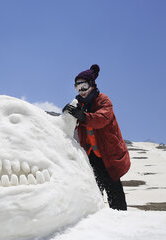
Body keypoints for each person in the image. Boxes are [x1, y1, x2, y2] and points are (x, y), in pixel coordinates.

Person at [63, 64, 130, 211]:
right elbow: (73, 124)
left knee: (113, 188)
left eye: (84, 86)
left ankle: (121, 217)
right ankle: (97, 218)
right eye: (77, 88)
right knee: (94, 188)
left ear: (92, 85)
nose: (81, 91)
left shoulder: (103, 100)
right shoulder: (79, 104)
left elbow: (102, 119)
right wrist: (67, 115)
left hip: (108, 154)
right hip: (91, 154)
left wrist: (83, 116)